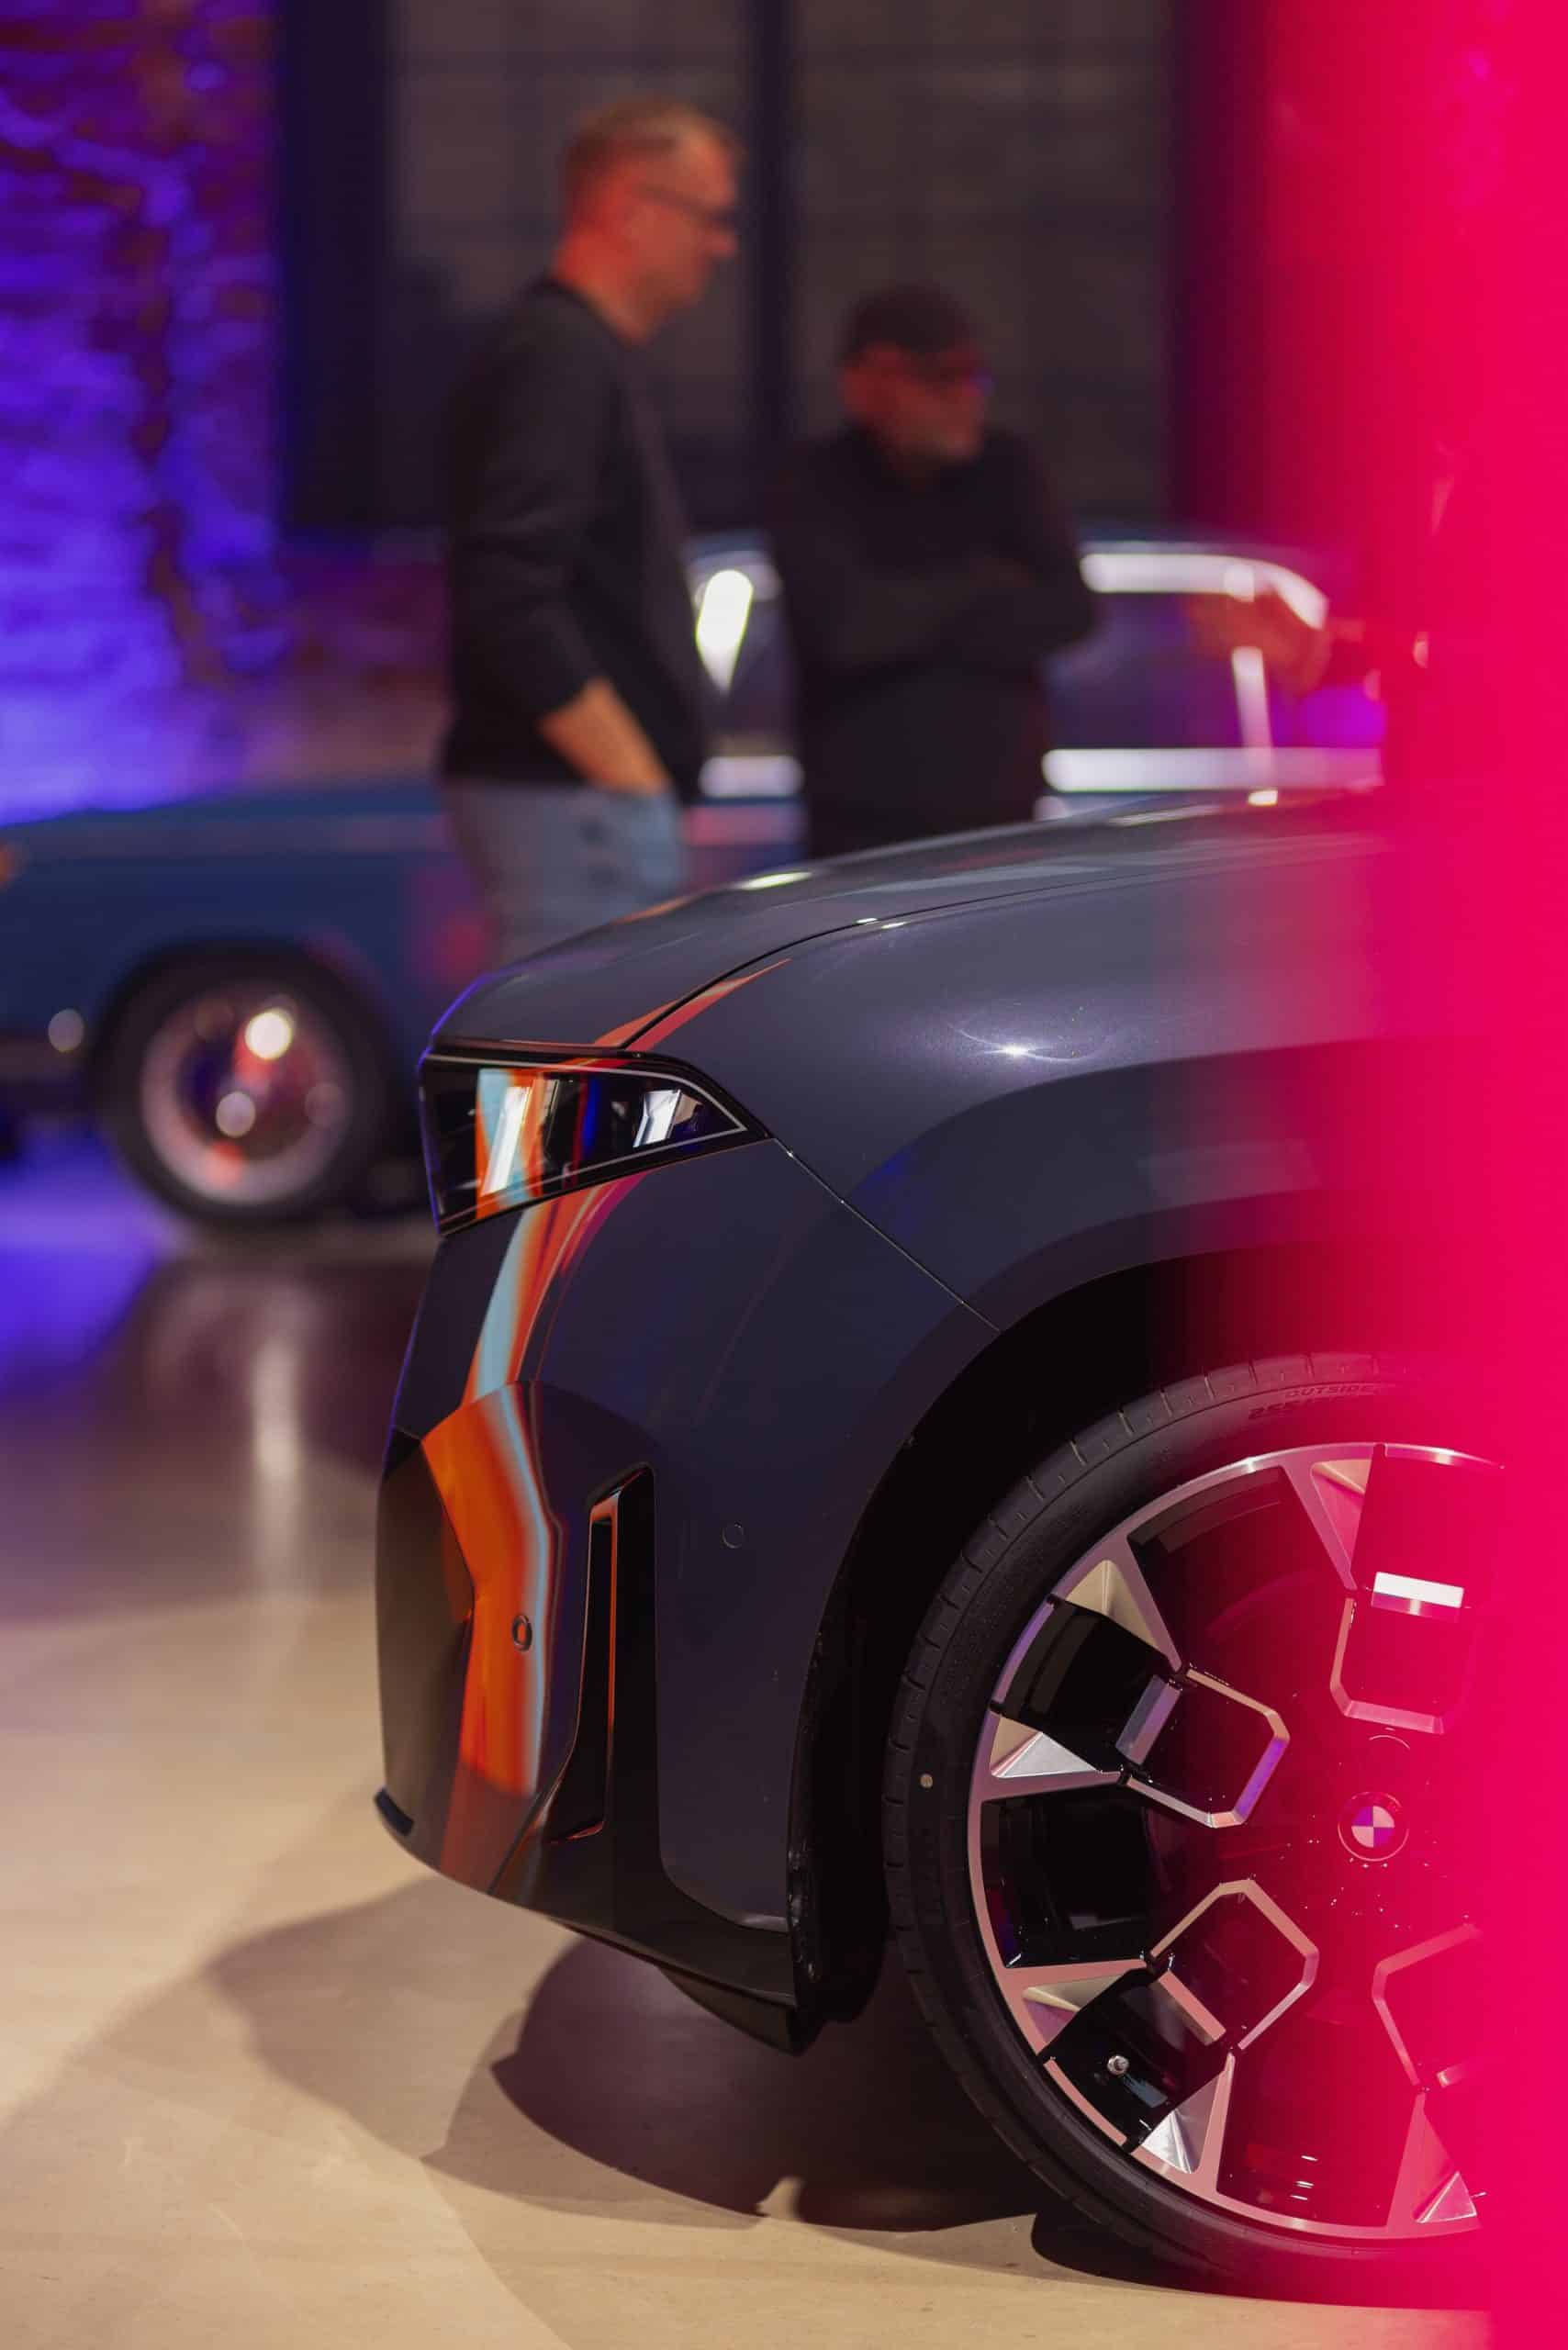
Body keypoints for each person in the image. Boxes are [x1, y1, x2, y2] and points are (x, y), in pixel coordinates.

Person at [440, 98, 740, 965]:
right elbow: (508, 591)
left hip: (574, 807)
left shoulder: (571, 349)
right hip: (573, 808)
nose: (722, 246)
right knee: (580, 1048)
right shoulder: (559, 354)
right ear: (633, 209)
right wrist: (632, 777)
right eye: (709, 217)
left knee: (580, 1045)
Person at [769, 285, 1095, 859]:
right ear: (867, 385)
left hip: (1000, 827)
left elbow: (1070, 611)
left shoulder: (1009, 470)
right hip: (860, 834)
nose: (964, 398)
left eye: (974, 378)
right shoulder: (814, 481)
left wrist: (904, 609)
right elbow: (844, 629)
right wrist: (988, 586)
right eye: (939, 379)